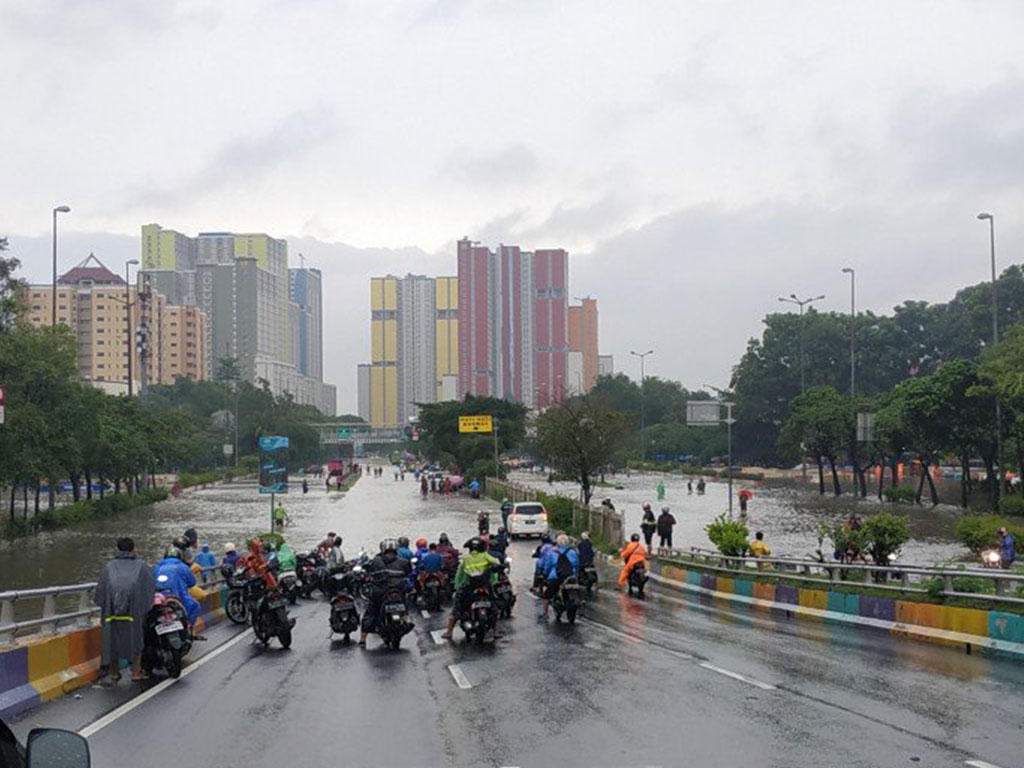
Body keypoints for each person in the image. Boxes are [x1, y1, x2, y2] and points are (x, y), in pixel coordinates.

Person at [95, 537, 154, 684]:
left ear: (118, 549)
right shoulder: (141, 566)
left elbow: (100, 591)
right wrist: (143, 609)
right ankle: (135, 672)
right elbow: (149, 589)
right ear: (134, 549)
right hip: (133, 613)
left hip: (111, 613)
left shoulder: (109, 567)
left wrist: (107, 606)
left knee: (112, 641)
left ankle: (115, 673)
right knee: (137, 641)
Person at [441, 537, 503, 640]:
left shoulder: (466, 558)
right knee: (494, 607)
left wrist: (457, 587)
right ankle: (496, 631)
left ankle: (449, 632)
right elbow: (496, 563)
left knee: (457, 608)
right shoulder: (485, 556)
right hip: (485, 586)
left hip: (469, 587)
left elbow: (459, 575)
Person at [359, 539, 414, 646]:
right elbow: (409, 572)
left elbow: (367, 568)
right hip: (398, 592)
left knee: (371, 612)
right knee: (405, 604)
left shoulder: (376, 560)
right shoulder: (403, 562)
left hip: (380, 593)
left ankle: (362, 639)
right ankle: (405, 620)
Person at [152, 546, 200, 626]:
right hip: (179, 598)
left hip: (159, 599)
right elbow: (192, 583)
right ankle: (189, 628)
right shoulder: (183, 567)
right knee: (195, 606)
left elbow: (151, 582)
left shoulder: (157, 567)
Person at [541, 534, 579, 618]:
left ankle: (545, 612)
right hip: (570, 576)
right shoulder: (572, 552)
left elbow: (548, 566)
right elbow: (577, 564)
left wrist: (545, 574)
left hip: (556, 576)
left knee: (547, 594)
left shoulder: (552, 552)